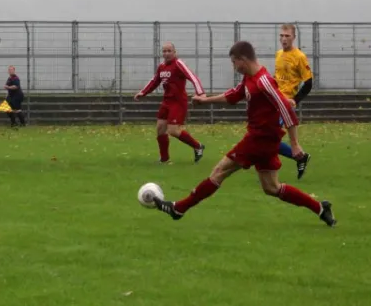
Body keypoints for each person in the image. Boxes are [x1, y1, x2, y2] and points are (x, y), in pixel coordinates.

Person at [152, 41, 336, 227]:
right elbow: (233, 95)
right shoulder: (249, 78)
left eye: (234, 63)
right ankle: (320, 208)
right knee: (272, 188)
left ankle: (179, 208)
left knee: (219, 172)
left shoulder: (263, 81)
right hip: (265, 140)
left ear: (243, 59)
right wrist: (205, 100)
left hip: (259, 139)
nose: (234, 67)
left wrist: (295, 143)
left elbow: (286, 108)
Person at [134, 42, 206, 164]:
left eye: (169, 51)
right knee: (160, 129)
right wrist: (143, 92)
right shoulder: (162, 66)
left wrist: (200, 93)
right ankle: (164, 159)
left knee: (173, 131)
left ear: (174, 52)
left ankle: (198, 146)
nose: (166, 53)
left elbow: (193, 77)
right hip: (166, 101)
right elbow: (154, 81)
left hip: (178, 102)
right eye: (164, 51)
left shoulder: (179, 64)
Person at [275, 24, 313, 179]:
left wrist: (295, 100)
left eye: (287, 36)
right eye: (282, 36)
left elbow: (309, 83)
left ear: (294, 38)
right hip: (274, 101)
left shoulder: (299, 57)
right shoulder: (278, 55)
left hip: (285, 104)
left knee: (268, 137)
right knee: (268, 138)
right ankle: (300, 156)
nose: (284, 39)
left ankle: (267, 171)